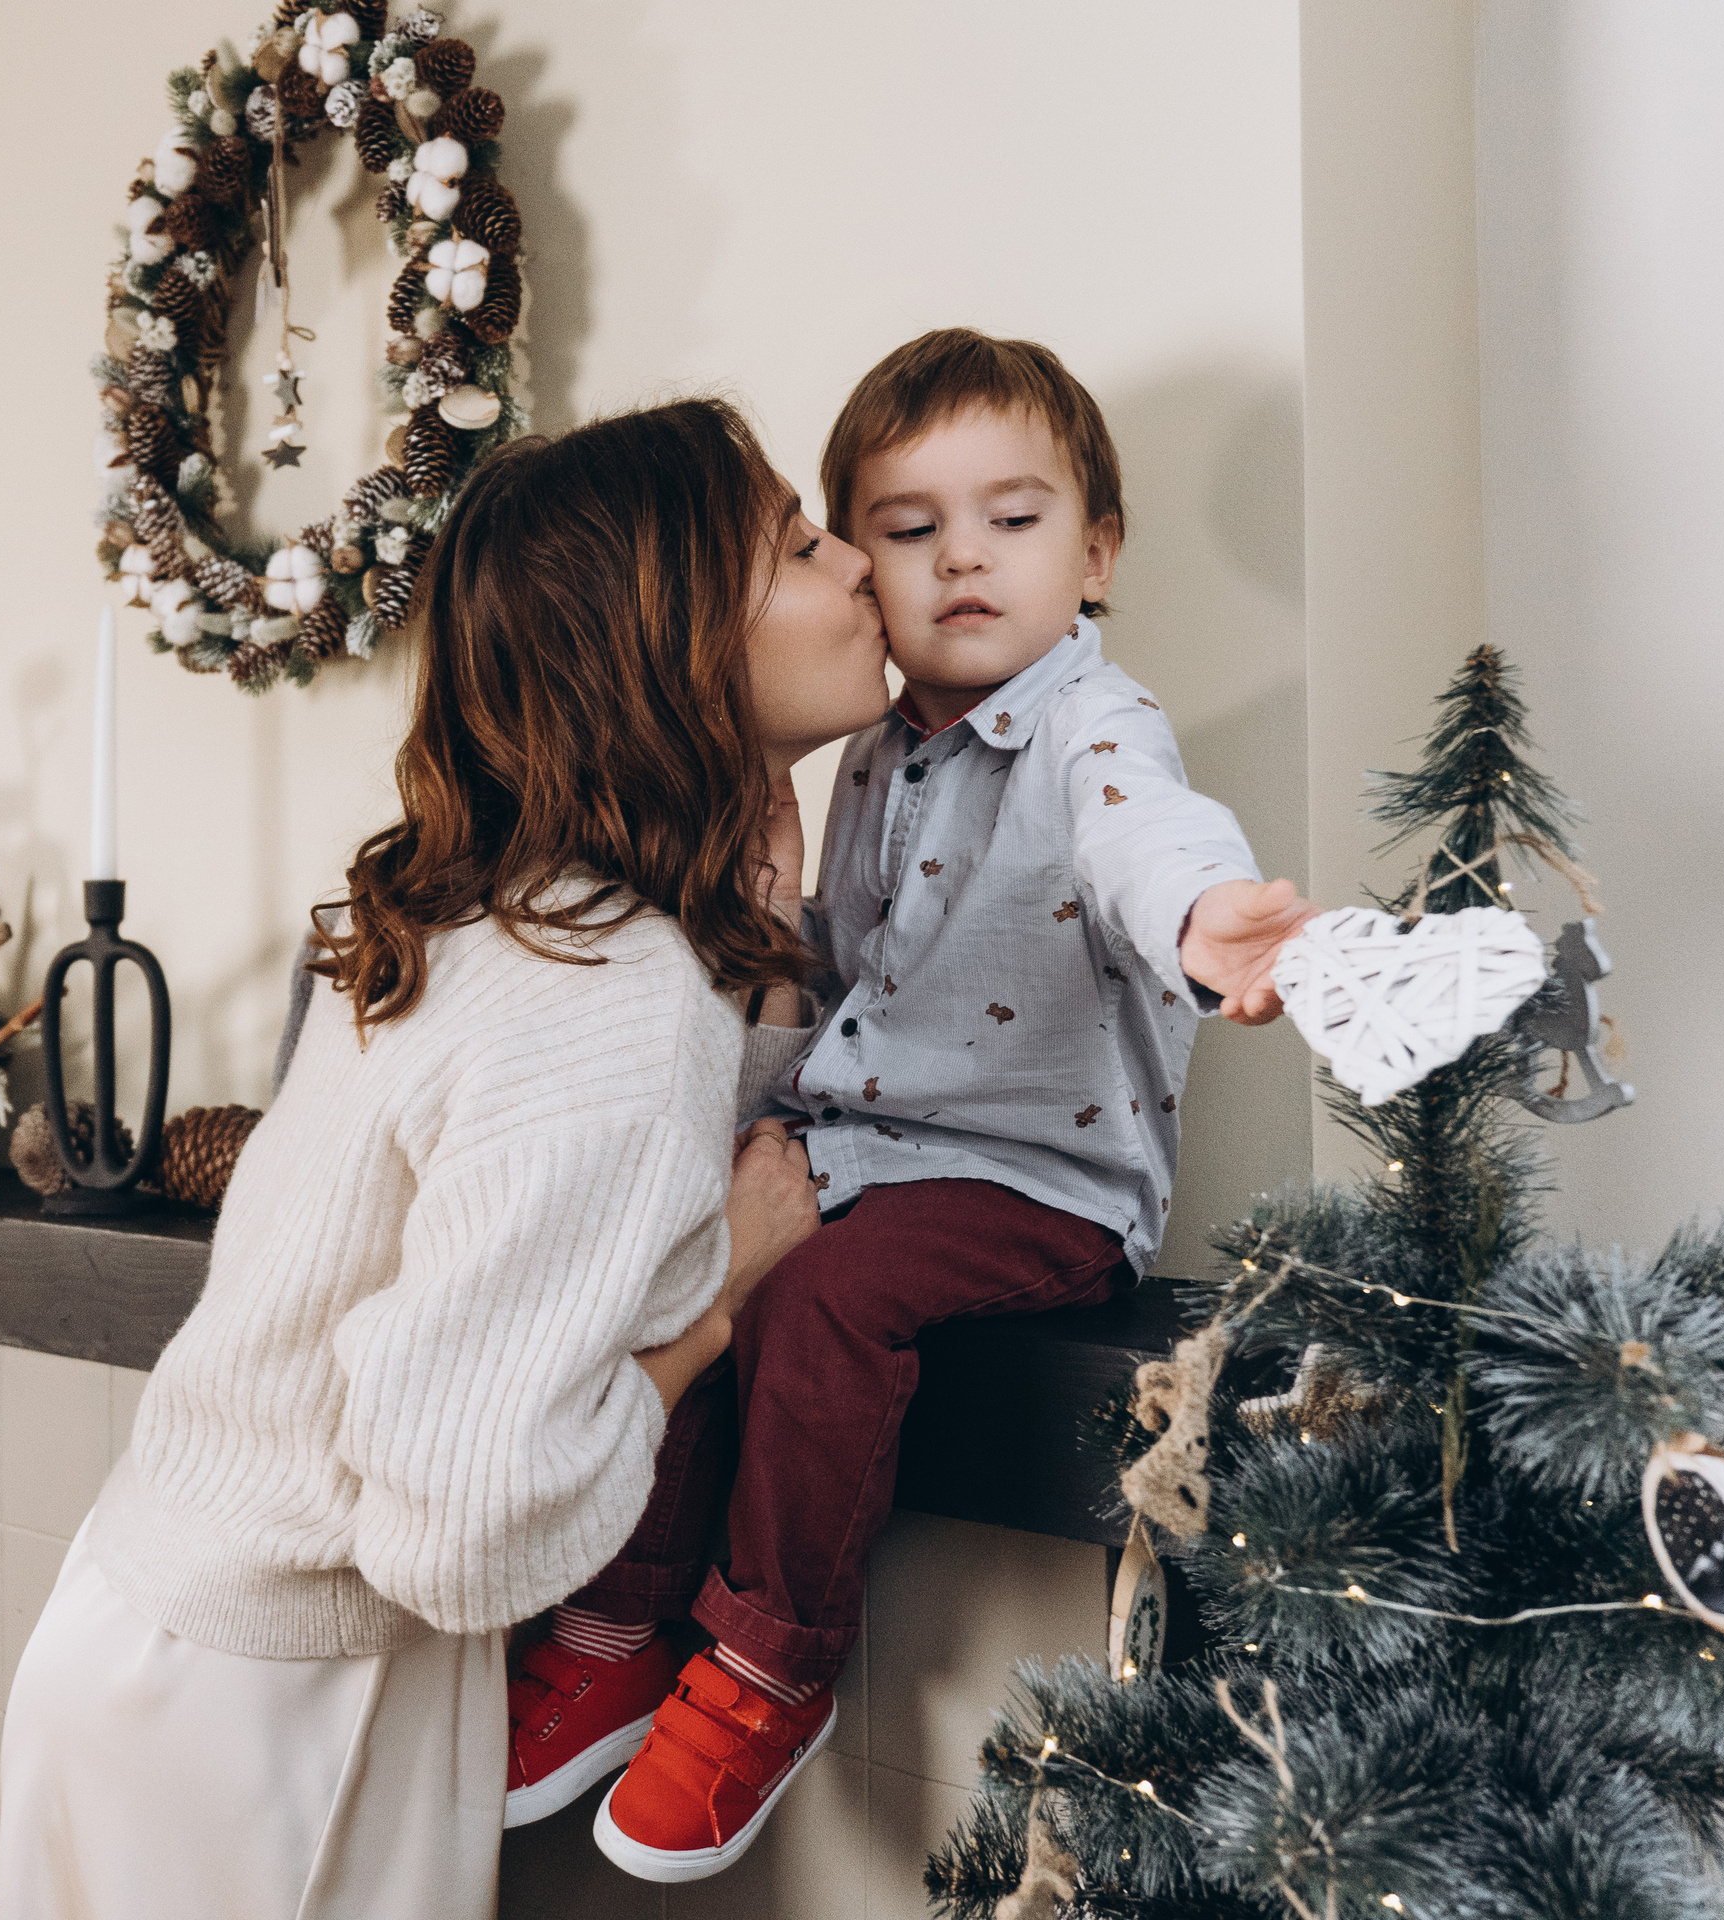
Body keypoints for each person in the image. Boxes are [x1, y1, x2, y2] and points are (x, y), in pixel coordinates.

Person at [0, 396, 894, 1920]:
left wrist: (761, 943)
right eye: (801, 545)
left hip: (163, 1635)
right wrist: (718, 1310)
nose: (863, 563)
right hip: (272, 1716)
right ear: (674, 650)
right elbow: (463, 1530)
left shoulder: (517, 917)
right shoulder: (607, 994)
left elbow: (586, 1187)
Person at [505, 330, 1319, 1884]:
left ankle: (766, 1665)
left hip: (1036, 1183)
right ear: (858, 559)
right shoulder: (871, 755)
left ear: (1097, 549)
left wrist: (1209, 916)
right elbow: (852, 970)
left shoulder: (1092, 723)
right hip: (866, 1150)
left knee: (819, 1304)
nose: (962, 560)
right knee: (693, 1251)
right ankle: (618, 1620)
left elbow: (1150, 833)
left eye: (1012, 521)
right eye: (905, 525)